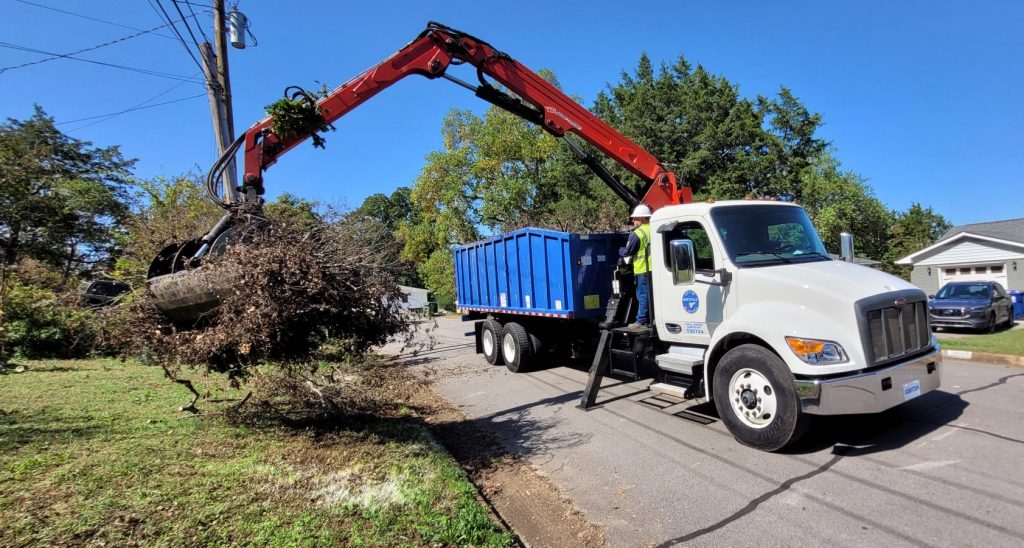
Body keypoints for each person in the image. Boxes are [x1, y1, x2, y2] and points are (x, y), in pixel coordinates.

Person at [621, 205, 652, 328]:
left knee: (642, 295)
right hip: (655, 270)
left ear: (644, 218)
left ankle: (641, 321)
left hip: (643, 269)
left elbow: (628, 252)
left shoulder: (638, 233)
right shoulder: (653, 229)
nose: (633, 221)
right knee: (651, 295)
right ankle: (649, 319)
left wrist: (620, 250)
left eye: (635, 219)